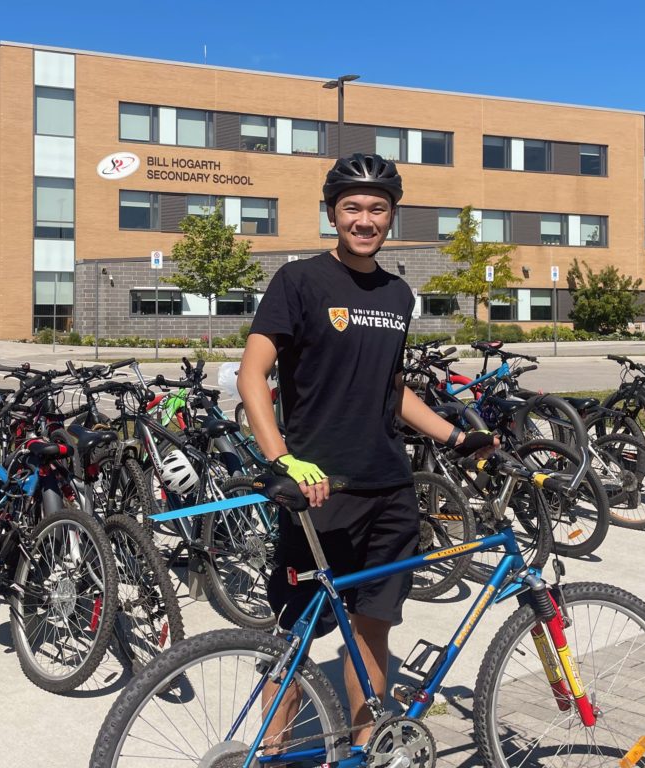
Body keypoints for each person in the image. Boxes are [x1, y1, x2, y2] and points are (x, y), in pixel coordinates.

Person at [237, 153, 495, 748]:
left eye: (377, 208)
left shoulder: (399, 293)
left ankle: (364, 745)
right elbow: (255, 375)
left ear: (391, 217)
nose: (364, 218)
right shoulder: (298, 280)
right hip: (318, 489)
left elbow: (391, 387)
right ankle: (267, 754)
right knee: (293, 639)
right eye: (352, 206)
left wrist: (456, 436)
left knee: (372, 626)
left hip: (389, 488)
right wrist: (282, 460)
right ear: (332, 213)